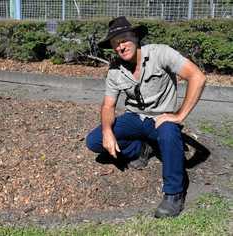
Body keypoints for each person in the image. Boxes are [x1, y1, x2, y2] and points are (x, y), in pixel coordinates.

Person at [86, 16, 206, 218]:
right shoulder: (115, 70)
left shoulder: (160, 53)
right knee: (95, 141)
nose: (121, 47)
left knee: (169, 132)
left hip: (161, 118)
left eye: (124, 39)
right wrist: (107, 131)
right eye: (115, 44)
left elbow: (197, 77)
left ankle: (174, 193)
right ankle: (141, 148)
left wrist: (179, 115)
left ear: (135, 36)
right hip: (134, 118)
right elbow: (108, 105)